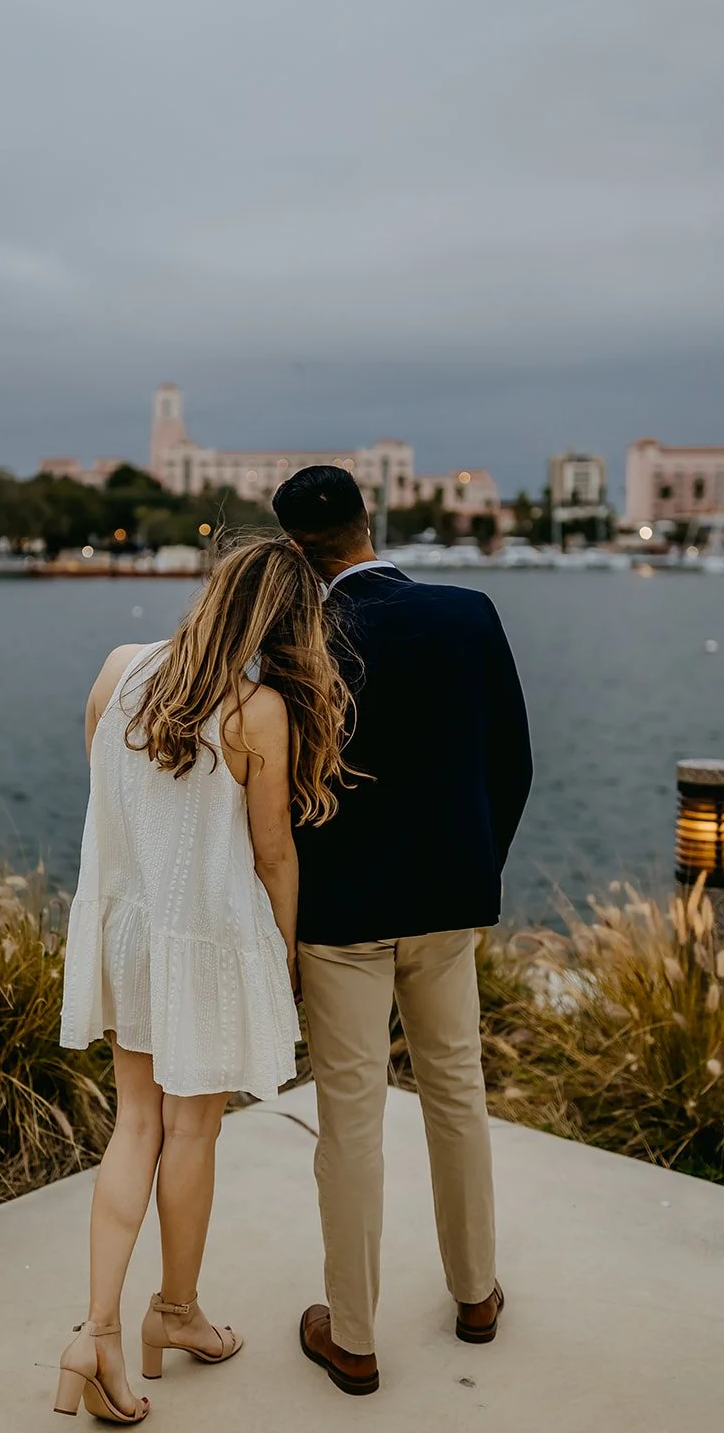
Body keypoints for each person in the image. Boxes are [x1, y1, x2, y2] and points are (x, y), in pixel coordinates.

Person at [55, 536, 350, 1423]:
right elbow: (271, 854)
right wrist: (286, 960)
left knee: (132, 1124)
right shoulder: (258, 711)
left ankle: (95, 1334)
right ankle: (174, 1313)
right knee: (191, 1133)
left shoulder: (119, 668)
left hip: (129, 930)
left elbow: (108, 792)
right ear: (283, 624)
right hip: (208, 940)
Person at [272, 465, 533, 1398]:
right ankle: (474, 1297)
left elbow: (273, 792)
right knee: (455, 1090)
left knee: (350, 1119)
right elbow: (511, 760)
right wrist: (474, 869)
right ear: (366, 519)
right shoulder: (467, 614)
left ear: (295, 545)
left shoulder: (294, 635)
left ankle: (351, 1338)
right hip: (447, 902)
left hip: (339, 916)